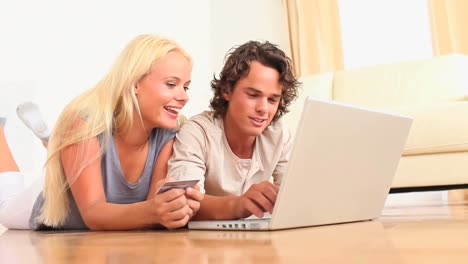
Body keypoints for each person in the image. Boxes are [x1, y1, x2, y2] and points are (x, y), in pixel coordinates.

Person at [0, 34, 204, 230]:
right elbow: (93, 214)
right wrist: (155, 210)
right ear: (135, 84)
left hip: (111, 228)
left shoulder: (169, 136)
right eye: (171, 84)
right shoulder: (85, 124)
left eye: (186, 87)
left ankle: (51, 142)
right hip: (49, 209)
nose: (184, 97)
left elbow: (151, 213)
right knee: (5, 206)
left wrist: (176, 207)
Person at [167, 41, 300, 220]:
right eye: (253, 95)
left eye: (272, 100)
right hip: (202, 243)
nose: (263, 109)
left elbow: (295, 196)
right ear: (227, 90)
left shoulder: (279, 135)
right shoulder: (197, 132)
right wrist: (239, 204)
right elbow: (184, 201)